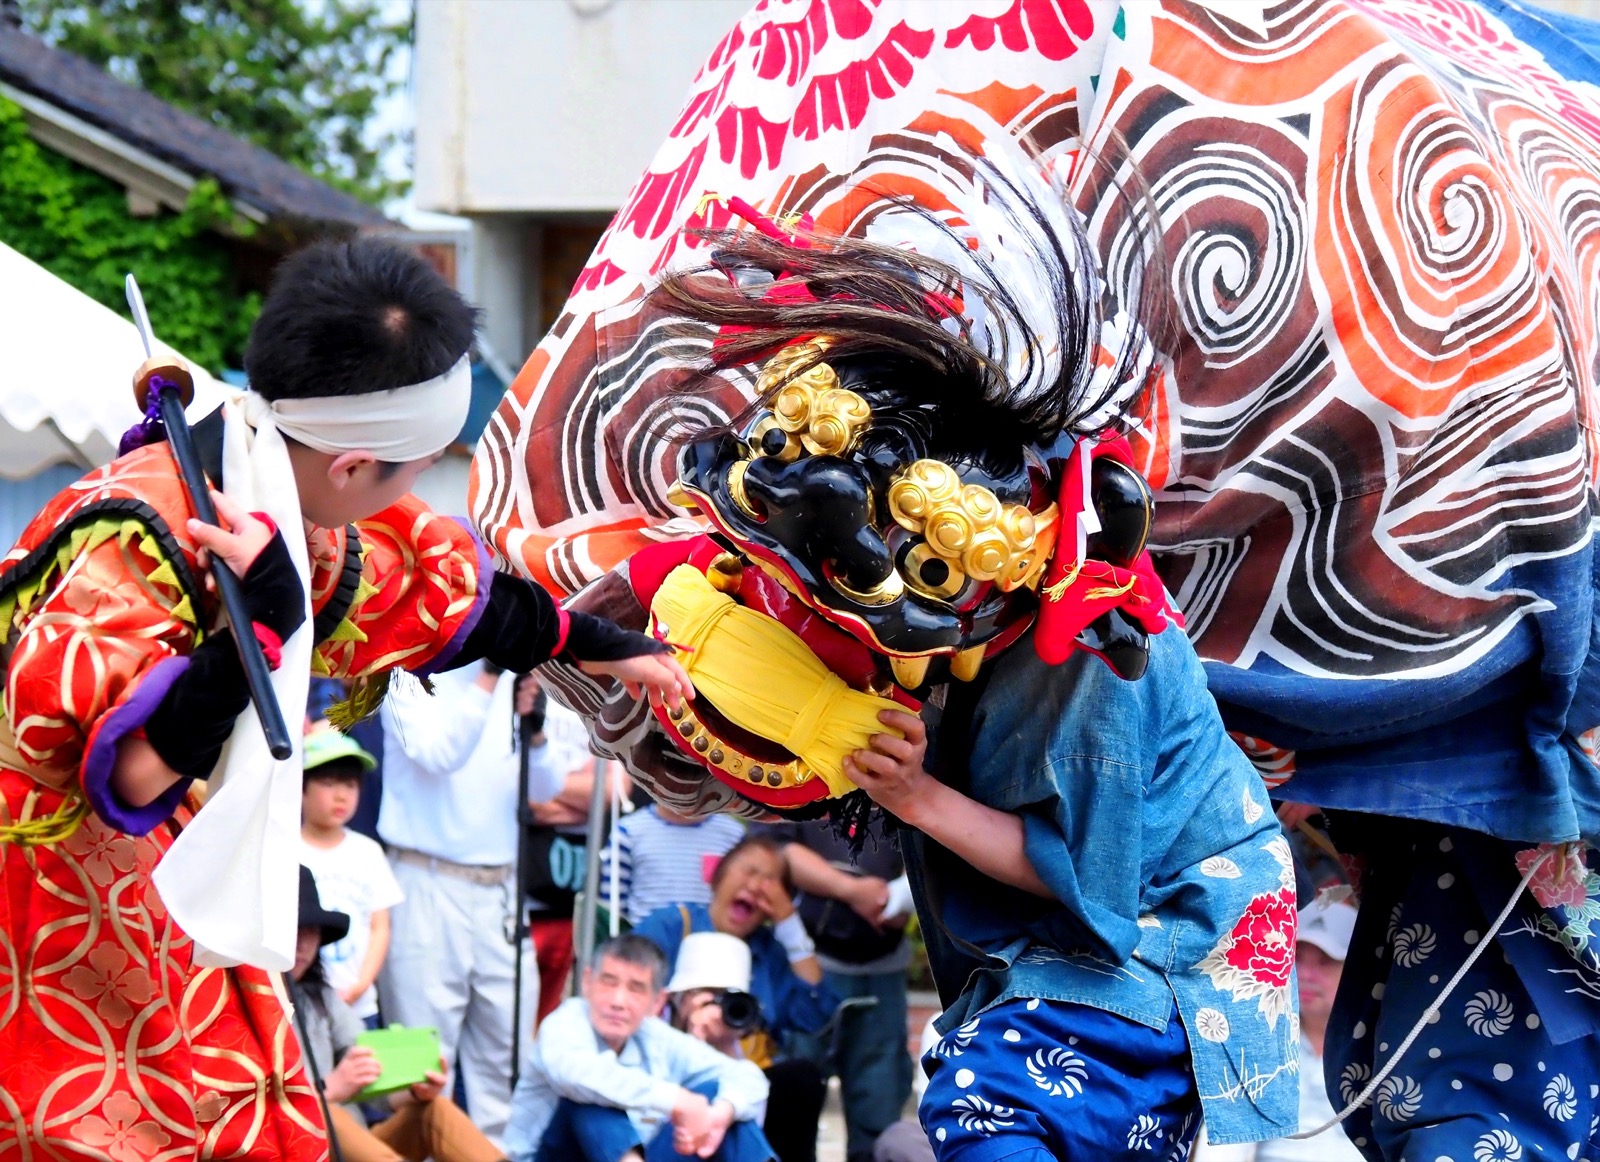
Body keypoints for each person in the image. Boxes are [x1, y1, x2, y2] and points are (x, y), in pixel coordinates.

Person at [0, 235, 690, 1160]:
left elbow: (450, 599)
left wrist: (617, 648)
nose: (413, 499)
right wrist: (268, 623)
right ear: (357, 466)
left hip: (156, 870)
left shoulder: (270, 470)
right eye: (413, 472)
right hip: (54, 887)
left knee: (255, 1104)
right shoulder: (142, 538)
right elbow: (121, 768)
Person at [379, 662, 590, 1140]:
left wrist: (534, 734)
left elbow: (546, 788)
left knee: (508, 1057)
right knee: (420, 1066)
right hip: (425, 880)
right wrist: (490, 677)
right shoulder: (403, 675)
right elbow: (437, 754)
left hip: (502, 888)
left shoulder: (513, 681)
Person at [632, 835, 837, 1162]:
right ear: (719, 876)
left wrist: (789, 923)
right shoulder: (672, 926)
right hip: (672, 1072)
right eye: (749, 871)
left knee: (801, 1078)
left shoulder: (770, 951)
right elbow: (627, 992)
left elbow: (817, 1014)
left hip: (751, 1078)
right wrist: (685, 1016)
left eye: (770, 881)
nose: (756, 886)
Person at [287, 866, 507, 1162]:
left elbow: (372, 1075)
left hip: (361, 1150)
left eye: (311, 932)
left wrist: (414, 1090)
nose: (303, 945)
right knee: (327, 1114)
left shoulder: (322, 998)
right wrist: (329, 1091)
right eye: (294, 930)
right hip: (294, 1146)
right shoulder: (247, 1006)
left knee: (434, 1109)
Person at [503, 933, 774, 1162]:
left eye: (636, 989)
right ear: (587, 982)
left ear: (657, 1002)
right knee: (588, 1096)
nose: (618, 1001)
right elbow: (576, 1074)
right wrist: (678, 1100)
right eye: (608, 982)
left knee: (720, 1096)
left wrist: (721, 1114)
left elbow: (748, 1076)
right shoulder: (567, 1021)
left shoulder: (656, 1036)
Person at [764, 818, 913, 1162]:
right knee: (794, 1098)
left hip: (884, 965)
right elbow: (775, 846)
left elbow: (930, 847)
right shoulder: (794, 766)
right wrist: (852, 891)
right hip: (806, 965)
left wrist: (902, 898)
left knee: (880, 1102)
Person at [1193, 899, 1364, 1162]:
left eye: (1325, 961)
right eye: (1298, 957)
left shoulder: (1380, 1050)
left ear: (1355, 969)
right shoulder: (1263, 1041)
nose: (1306, 974)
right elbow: (1229, 1143)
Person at [300, 722, 404, 1025]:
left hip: (359, 1004)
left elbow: (379, 926)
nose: (341, 796)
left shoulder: (368, 852)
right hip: (304, 1002)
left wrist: (362, 984)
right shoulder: (286, 850)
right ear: (301, 787)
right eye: (329, 783)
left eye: (350, 784)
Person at [602, 795, 746, 925]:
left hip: (709, 944)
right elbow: (611, 910)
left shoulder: (733, 835)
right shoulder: (627, 831)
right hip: (644, 944)